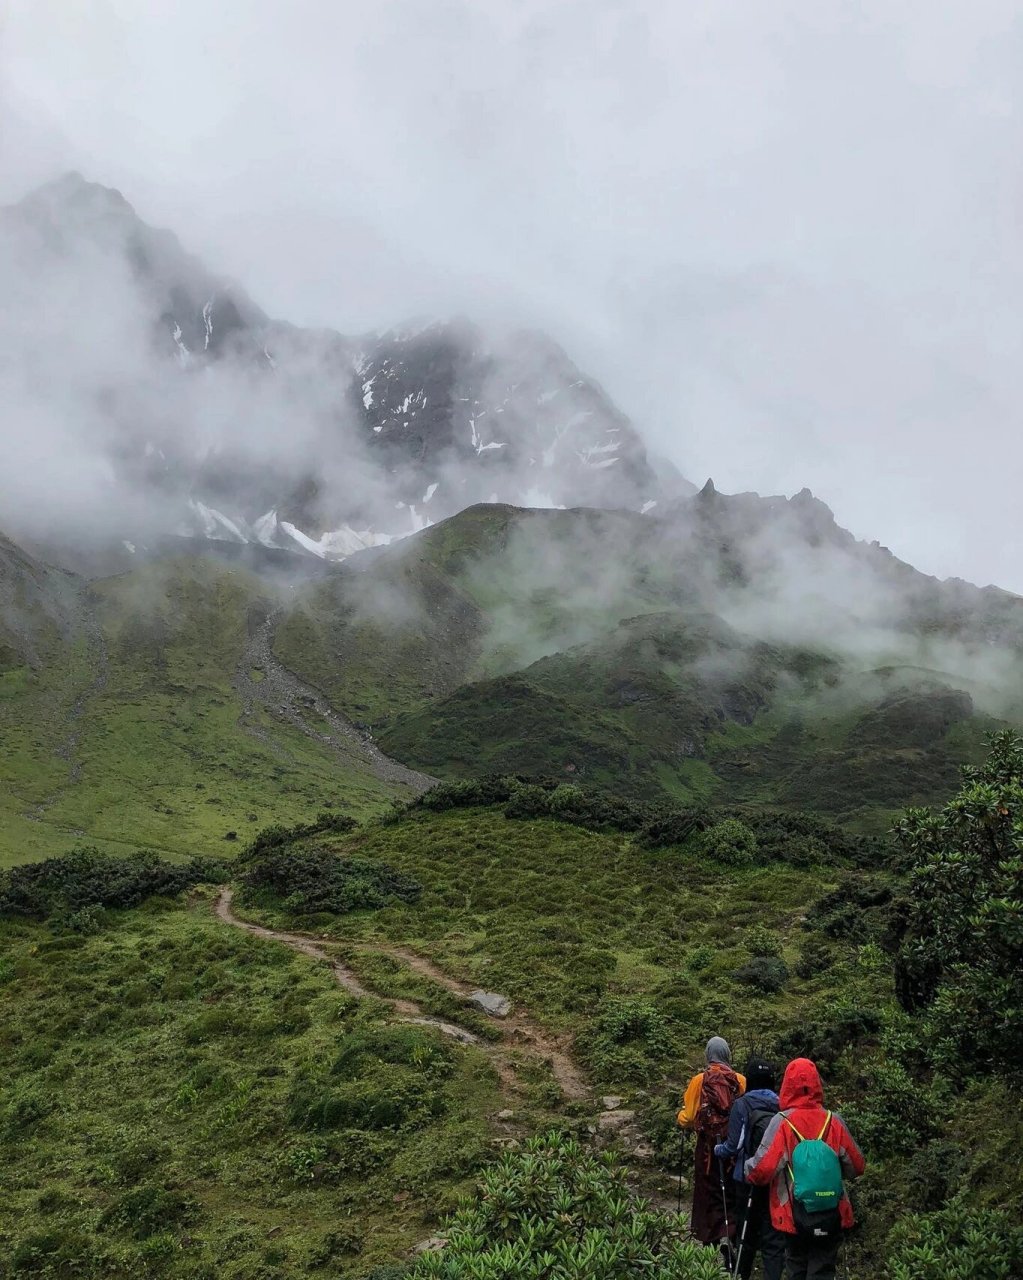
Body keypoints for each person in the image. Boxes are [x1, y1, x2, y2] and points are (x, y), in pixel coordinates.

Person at [745, 1057, 866, 1280]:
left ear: (787, 1086)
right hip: (831, 1211)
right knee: (824, 1268)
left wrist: (747, 1168)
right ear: (817, 1085)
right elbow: (857, 1166)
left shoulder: (782, 1122)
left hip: (794, 1213)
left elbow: (763, 1169)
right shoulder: (833, 1121)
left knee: (796, 1266)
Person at [714, 1057, 787, 1280]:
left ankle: (740, 1274)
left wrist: (718, 1149)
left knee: (745, 1233)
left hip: (745, 1179)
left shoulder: (742, 1105)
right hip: (776, 1178)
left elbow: (733, 1146)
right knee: (773, 1234)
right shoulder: (782, 1106)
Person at [678, 1036, 747, 1267]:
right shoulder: (740, 1080)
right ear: (728, 1054)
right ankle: (734, 1240)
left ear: (708, 1054)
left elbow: (688, 1118)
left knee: (708, 1196)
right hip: (733, 1151)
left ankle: (710, 1248)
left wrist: (680, 1117)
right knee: (731, 1194)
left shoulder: (699, 1080)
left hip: (707, 1151)